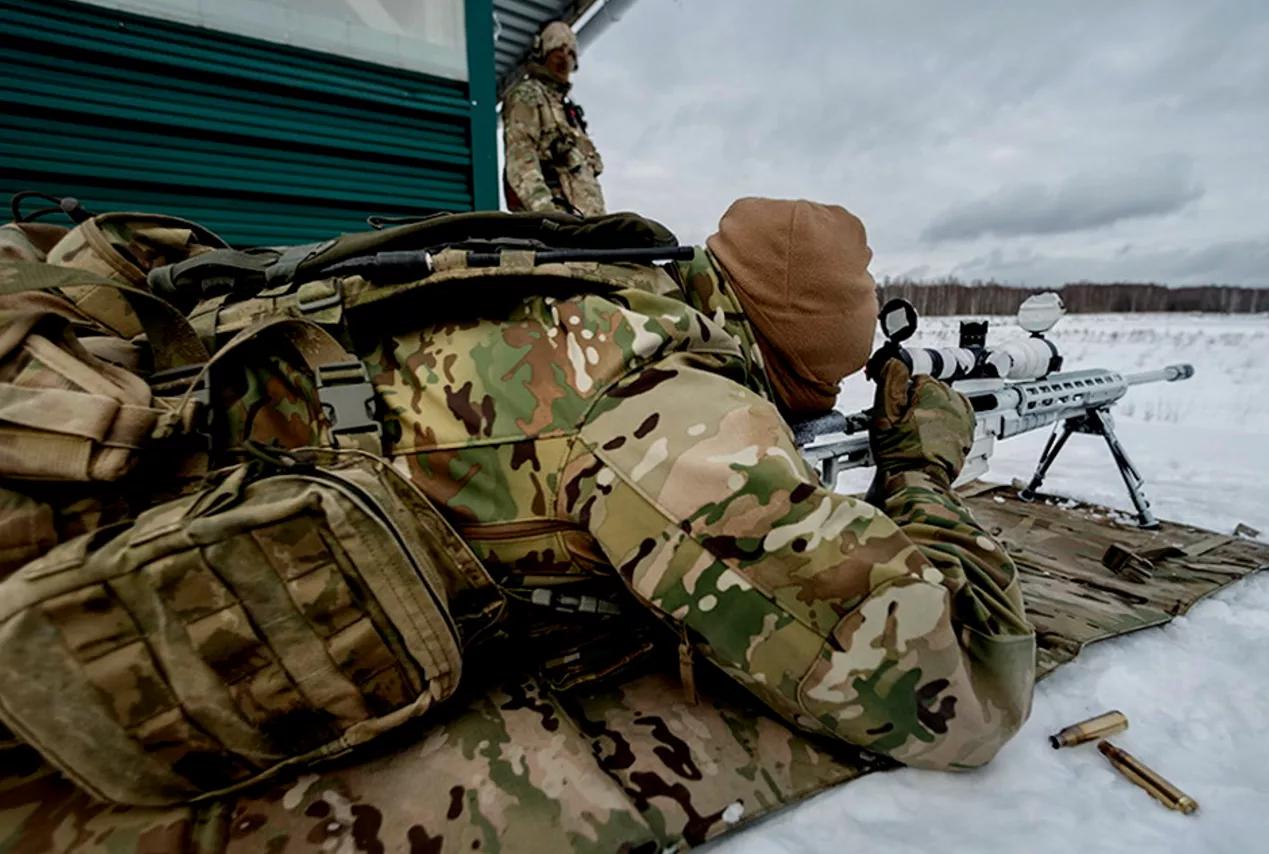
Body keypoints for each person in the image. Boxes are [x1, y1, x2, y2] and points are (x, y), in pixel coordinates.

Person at [369, 196, 1036, 769]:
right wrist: (919, 469)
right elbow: (953, 697)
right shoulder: (666, 400)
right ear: (799, 349)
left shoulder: (620, 297)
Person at [502, 20, 606, 217]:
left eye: (570, 52)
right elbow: (521, 163)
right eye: (557, 49)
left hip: (586, 225)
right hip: (556, 227)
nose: (564, 58)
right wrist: (548, 215)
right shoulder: (528, 95)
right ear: (542, 53)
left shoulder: (569, 112)